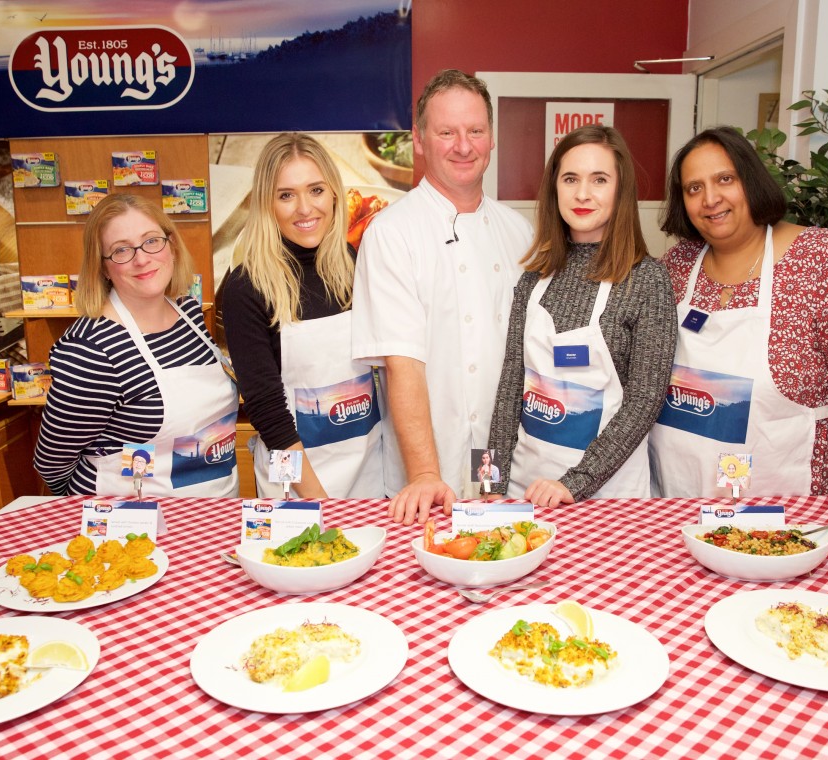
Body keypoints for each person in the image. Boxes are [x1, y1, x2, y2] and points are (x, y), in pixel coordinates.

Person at [652, 125, 828, 558]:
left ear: (752, 180)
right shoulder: (677, 266)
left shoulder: (823, 259)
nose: (710, 199)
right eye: (694, 188)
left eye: (725, 179)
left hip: (791, 521)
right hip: (678, 512)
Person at [352, 69, 533, 525]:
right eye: (446, 132)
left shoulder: (519, 231)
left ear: (492, 138)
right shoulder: (392, 233)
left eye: (475, 131)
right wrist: (426, 475)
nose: (463, 145)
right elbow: (402, 363)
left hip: (505, 466)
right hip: (424, 477)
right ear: (419, 140)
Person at [487, 125, 676, 508]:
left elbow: (645, 403)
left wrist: (575, 483)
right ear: (554, 187)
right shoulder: (533, 278)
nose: (583, 194)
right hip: (524, 491)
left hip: (607, 498)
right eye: (570, 178)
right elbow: (509, 390)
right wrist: (488, 483)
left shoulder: (647, 280)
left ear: (621, 190)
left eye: (599, 180)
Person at [34, 193, 240, 497]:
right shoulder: (90, 349)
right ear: (103, 267)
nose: (142, 258)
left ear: (171, 245)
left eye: (151, 241)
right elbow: (52, 462)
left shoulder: (189, 314)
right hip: (133, 525)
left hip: (213, 510)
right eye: (121, 250)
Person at [222, 133, 384, 499]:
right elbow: (268, 413)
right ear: (266, 204)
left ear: (333, 194)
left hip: (370, 478)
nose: (305, 208)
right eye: (286, 195)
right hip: (295, 487)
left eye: (315, 190)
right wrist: (319, 503)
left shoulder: (351, 263)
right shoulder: (246, 286)